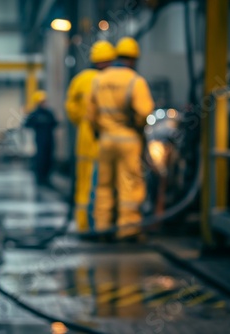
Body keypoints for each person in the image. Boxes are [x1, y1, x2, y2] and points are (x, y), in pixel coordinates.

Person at [87, 37, 154, 241]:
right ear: (134, 59)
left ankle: (102, 228)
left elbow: (90, 115)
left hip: (106, 140)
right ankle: (128, 230)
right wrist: (137, 126)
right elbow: (144, 111)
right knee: (129, 185)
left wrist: (100, 131)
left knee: (104, 186)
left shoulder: (99, 79)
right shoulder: (135, 80)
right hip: (128, 140)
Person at [65, 40, 117, 234]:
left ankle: (84, 225)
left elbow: (71, 108)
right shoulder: (113, 79)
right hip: (107, 137)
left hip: (85, 138)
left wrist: (83, 121)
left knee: (84, 183)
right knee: (106, 184)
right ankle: (107, 225)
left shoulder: (81, 79)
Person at [24, 91, 58, 186]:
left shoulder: (49, 113)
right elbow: (27, 124)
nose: (44, 103)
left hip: (49, 140)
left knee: (48, 159)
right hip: (40, 141)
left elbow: (54, 123)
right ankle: (40, 178)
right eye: (42, 102)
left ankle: (47, 178)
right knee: (40, 159)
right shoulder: (35, 114)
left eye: (45, 101)